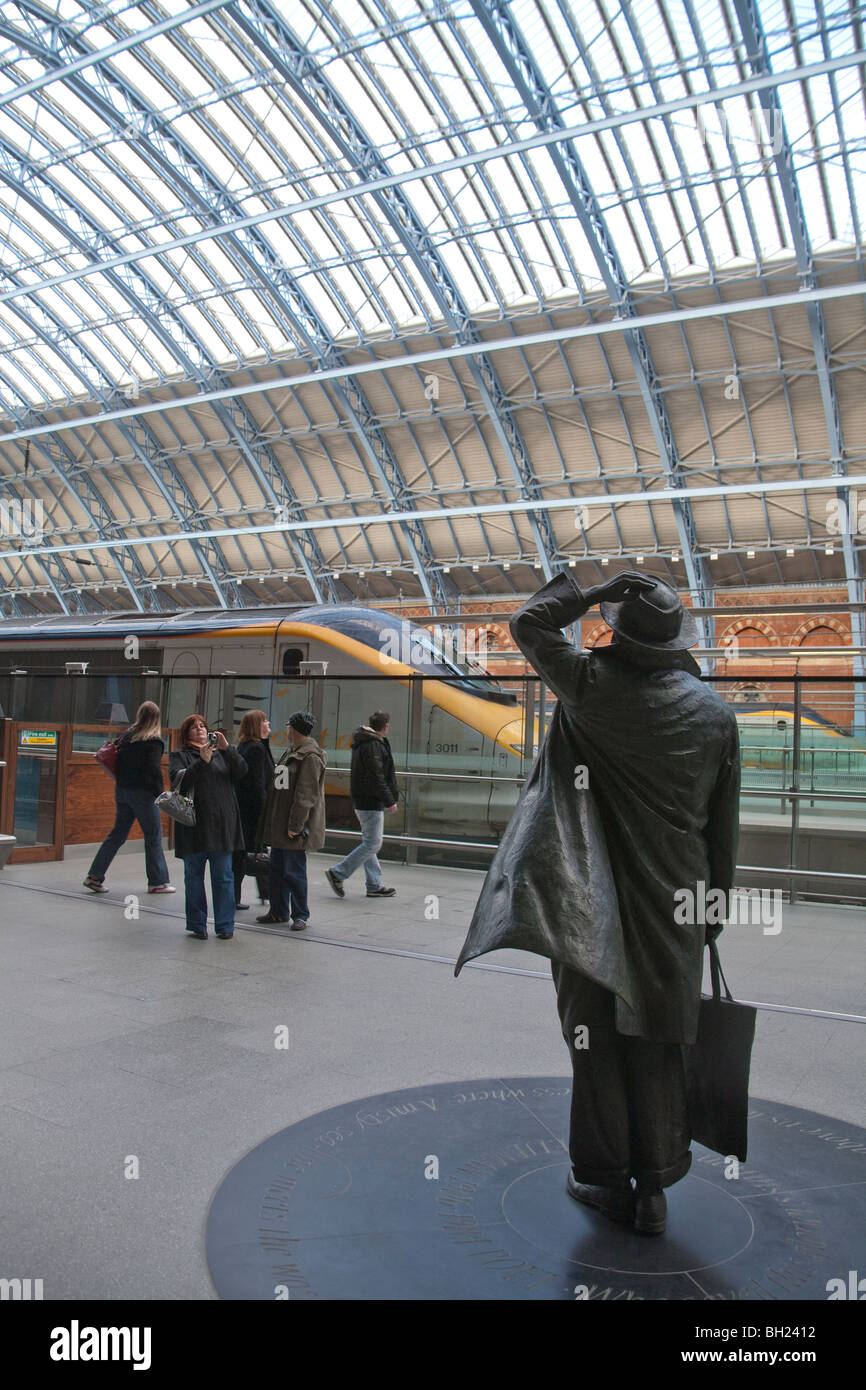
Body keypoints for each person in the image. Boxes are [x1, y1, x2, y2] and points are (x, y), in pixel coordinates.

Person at [456, 571, 740, 1236]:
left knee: (596, 1039)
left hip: (588, 902)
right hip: (677, 909)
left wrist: (587, 591)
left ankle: (607, 1179)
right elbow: (721, 833)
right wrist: (713, 912)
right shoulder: (716, 715)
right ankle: (656, 1183)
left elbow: (530, 624)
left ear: (619, 633)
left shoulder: (589, 686)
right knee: (660, 1040)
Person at [83, 700, 174, 895]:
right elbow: (153, 772)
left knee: (117, 834)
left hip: (122, 791)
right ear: (156, 718)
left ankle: (94, 876)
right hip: (143, 794)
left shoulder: (126, 737)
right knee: (153, 836)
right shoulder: (153, 742)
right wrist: (162, 794)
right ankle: (157, 882)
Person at [169, 714, 247, 940]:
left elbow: (242, 771)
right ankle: (197, 924)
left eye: (203, 726)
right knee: (194, 877)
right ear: (186, 734)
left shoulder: (222, 754)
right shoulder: (180, 755)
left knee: (223, 877)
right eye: (194, 727)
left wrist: (227, 748)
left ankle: (225, 925)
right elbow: (178, 782)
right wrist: (201, 762)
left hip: (222, 827)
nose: (200, 729)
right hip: (193, 826)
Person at [257, 711, 326, 930]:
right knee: (276, 870)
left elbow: (305, 795)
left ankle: (300, 914)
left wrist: (295, 826)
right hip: (280, 823)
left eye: (288, 727)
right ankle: (278, 911)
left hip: (293, 827)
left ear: (293, 729)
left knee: (294, 871)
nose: (287, 730)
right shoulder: (292, 752)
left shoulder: (310, 756)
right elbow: (281, 786)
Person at [324, 710, 398, 900]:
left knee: (369, 843)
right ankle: (338, 873)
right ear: (385, 726)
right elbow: (377, 776)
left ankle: (374, 885)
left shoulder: (365, 741)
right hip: (370, 800)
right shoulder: (373, 744)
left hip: (362, 798)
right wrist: (389, 800)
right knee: (373, 844)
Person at [232, 709, 274, 910]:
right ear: (257, 726)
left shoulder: (246, 746)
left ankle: (263, 892)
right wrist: (264, 813)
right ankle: (263, 893)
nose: (268, 723)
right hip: (253, 812)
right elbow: (259, 784)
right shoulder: (256, 749)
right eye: (264, 721)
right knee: (249, 854)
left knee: (245, 853)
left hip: (243, 809)